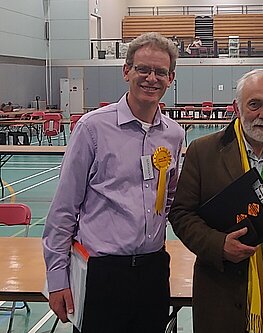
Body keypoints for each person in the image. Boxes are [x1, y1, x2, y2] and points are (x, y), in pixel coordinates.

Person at [43, 32, 184, 333]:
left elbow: (169, 198)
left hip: (153, 270)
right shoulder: (92, 128)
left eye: (160, 72)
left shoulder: (174, 134)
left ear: (171, 78)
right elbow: (64, 209)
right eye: (143, 69)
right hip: (103, 274)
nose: (151, 78)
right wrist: (57, 280)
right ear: (126, 71)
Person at [169, 68, 263, 332]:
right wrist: (218, 244)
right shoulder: (204, 151)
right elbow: (180, 214)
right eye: (254, 104)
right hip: (222, 293)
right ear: (236, 108)